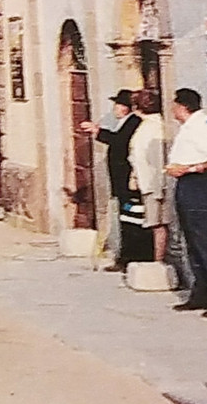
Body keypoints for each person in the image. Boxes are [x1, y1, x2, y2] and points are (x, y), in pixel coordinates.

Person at [81, 89, 142, 269]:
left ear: (126, 107)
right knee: (126, 217)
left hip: (126, 180)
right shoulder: (124, 122)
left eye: (119, 104)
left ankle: (130, 257)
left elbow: (119, 142)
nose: (115, 108)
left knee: (130, 218)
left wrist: (97, 131)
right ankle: (126, 256)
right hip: (121, 180)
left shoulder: (133, 122)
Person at [165, 87, 207, 312]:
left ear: (182, 106)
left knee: (203, 240)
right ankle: (201, 292)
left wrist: (189, 168)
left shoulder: (201, 126)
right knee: (192, 240)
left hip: (198, 184)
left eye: (174, 105)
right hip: (187, 184)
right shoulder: (188, 127)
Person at [130, 89, 167, 266]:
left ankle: (159, 262)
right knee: (153, 223)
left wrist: (158, 189)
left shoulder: (154, 127)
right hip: (147, 181)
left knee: (157, 224)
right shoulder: (146, 125)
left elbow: (157, 159)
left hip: (154, 183)